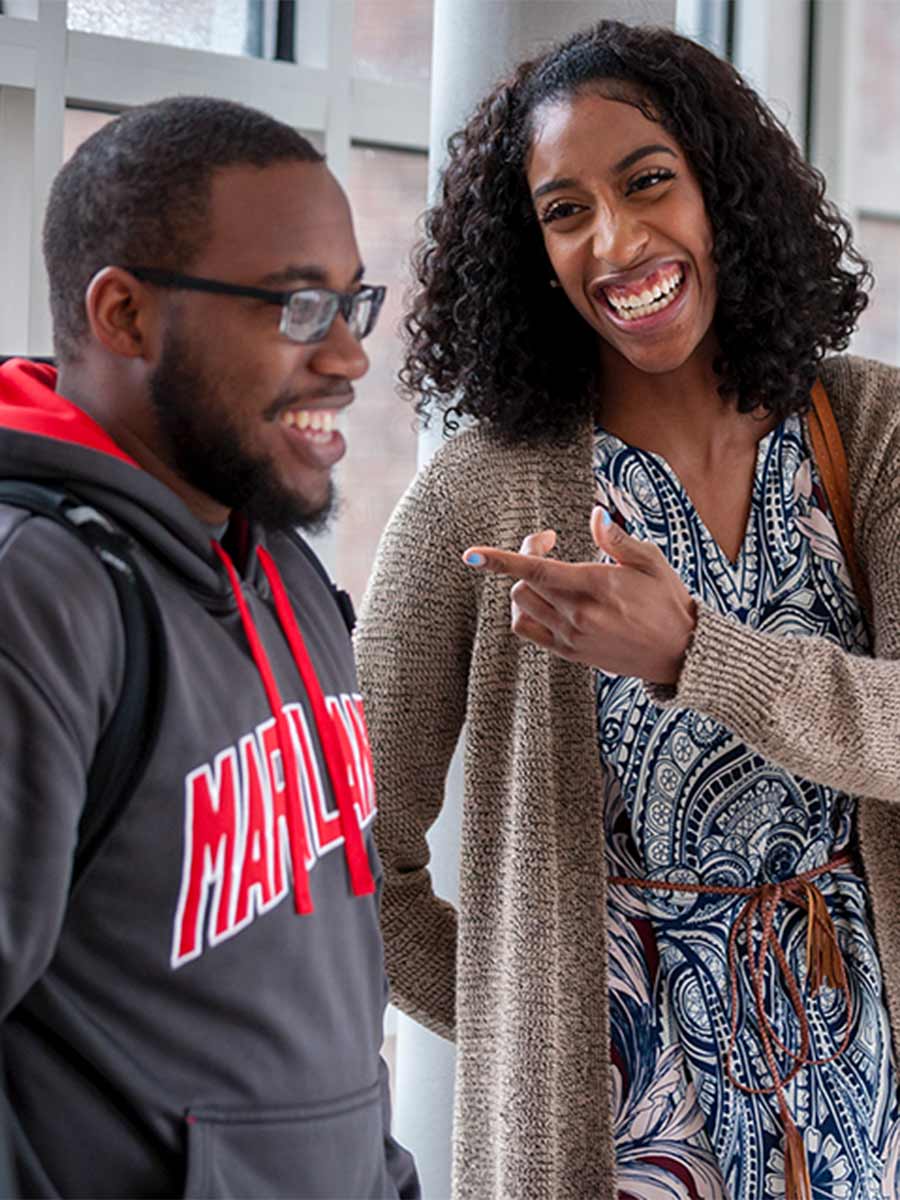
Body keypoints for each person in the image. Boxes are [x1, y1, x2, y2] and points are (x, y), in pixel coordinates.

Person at [355, 19, 900, 1200]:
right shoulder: (479, 493)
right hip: (611, 1144)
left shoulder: (873, 432)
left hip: (869, 1115)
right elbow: (352, 859)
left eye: (649, 181)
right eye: (565, 211)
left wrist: (694, 651)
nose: (615, 241)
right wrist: (537, 1025)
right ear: (529, 251)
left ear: (724, 192)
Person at [0, 96, 419, 1200]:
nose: (349, 357)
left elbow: (322, 1004)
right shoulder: (36, 595)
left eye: (352, 303)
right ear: (126, 315)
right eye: (297, 306)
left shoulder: (280, 563)